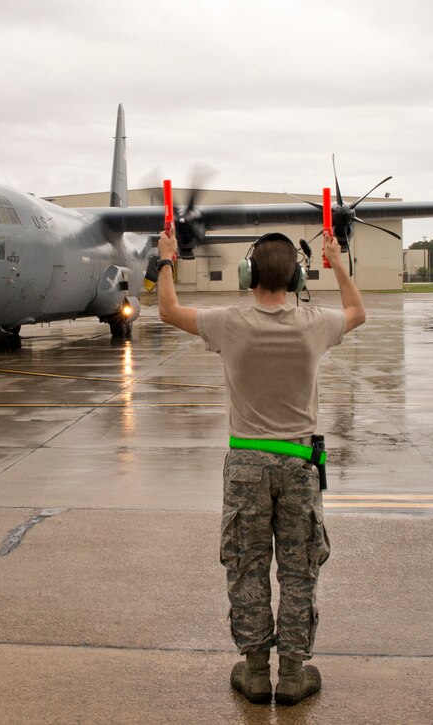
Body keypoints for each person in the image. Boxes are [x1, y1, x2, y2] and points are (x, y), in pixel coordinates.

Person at [156, 227, 365, 706]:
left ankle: (254, 673)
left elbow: (167, 311)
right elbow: (357, 312)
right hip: (298, 462)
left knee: (247, 567)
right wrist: (337, 261)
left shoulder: (228, 322)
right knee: (299, 570)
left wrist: (166, 258)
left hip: (246, 463)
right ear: (296, 277)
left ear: (247, 272)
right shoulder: (314, 323)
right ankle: (292, 674)